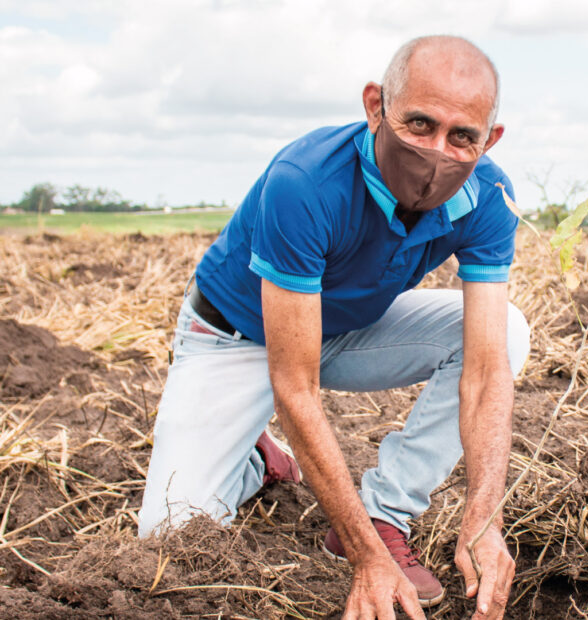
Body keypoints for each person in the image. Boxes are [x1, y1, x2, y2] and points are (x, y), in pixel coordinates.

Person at [137, 35, 530, 620]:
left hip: (343, 329)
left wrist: (483, 518)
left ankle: (382, 515)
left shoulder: (489, 194)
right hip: (237, 336)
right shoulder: (307, 182)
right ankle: (254, 460)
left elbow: (484, 370)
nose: (438, 153)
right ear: (376, 106)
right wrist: (370, 565)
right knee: (171, 538)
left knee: (506, 334)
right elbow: (294, 386)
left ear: (489, 139)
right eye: (419, 124)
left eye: (462, 136)